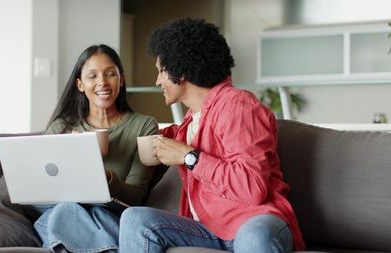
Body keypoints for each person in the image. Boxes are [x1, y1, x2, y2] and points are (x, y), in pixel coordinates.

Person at [118, 18, 305, 253]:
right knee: (135, 220)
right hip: (209, 229)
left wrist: (190, 157)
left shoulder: (238, 106)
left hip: (253, 220)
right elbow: (148, 139)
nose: (158, 81)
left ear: (181, 69)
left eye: (161, 71)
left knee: (254, 236)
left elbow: (252, 188)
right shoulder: (190, 122)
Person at [33, 44, 159, 253]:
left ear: (122, 79)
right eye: (92, 76)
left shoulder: (144, 126)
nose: (102, 82)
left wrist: (106, 177)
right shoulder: (61, 128)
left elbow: (137, 197)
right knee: (63, 211)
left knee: (67, 215)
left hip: (110, 216)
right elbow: (45, 193)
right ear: (80, 84)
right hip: (66, 213)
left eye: (110, 74)